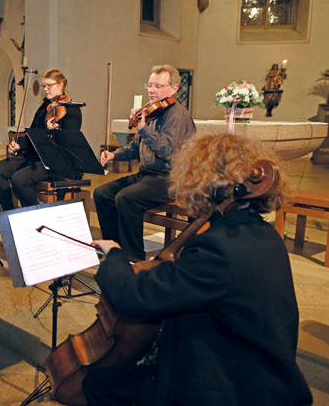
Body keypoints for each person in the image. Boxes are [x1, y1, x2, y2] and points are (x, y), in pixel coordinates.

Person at [83, 133, 312, 406]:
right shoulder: (264, 234)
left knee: (99, 385)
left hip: (234, 387)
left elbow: (134, 296)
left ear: (204, 185)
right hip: (262, 372)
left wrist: (114, 255)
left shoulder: (218, 248)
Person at [93, 65, 195, 260]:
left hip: (170, 178)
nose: (151, 90)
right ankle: (115, 250)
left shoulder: (177, 115)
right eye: (150, 85)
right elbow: (135, 148)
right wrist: (114, 155)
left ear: (174, 88)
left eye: (158, 85)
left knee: (127, 198)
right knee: (102, 193)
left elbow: (167, 151)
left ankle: (134, 258)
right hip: (148, 175)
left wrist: (143, 129)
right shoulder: (152, 113)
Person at [0, 68, 82, 213]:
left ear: (61, 85)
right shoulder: (43, 109)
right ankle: (6, 215)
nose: (45, 89)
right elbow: (31, 135)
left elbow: (69, 143)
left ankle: (35, 215)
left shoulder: (72, 111)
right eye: (44, 86)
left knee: (19, 179)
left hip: (57, 162)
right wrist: (19, 146)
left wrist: (52, 132)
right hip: (35, 157)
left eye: (49, 85)